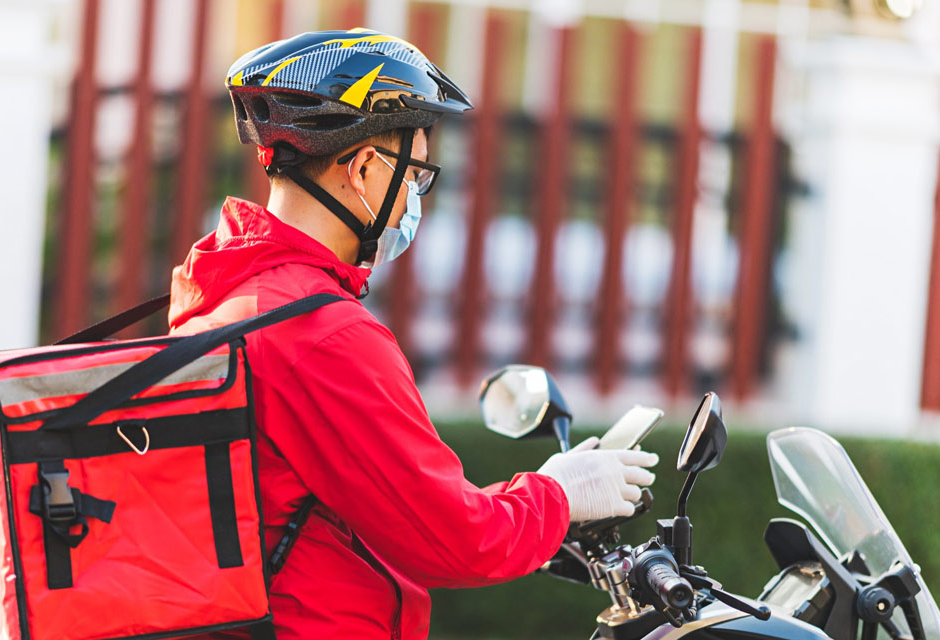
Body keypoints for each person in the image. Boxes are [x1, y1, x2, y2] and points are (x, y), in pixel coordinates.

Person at [172, 29, 659, 639]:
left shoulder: (228, 296)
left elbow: (387, 505)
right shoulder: (322, 335)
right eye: (416, 175)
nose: (412, 200)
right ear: (367, 170)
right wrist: (559, 494)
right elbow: (455, 542)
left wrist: (529, 499)